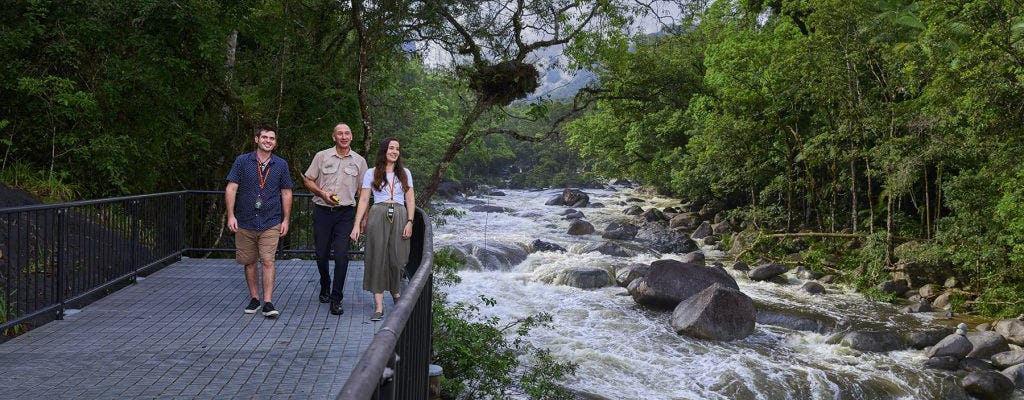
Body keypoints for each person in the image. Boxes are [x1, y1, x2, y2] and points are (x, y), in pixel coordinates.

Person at [225, 125, 293, 318]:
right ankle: (254, 298)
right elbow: (231, 188)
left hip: (271, 221)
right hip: (245, 221)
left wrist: (286, 219)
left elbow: (286, 192)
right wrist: (231, 215)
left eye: (272, 138)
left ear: (275, 142)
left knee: (268, 261)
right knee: (249, 262)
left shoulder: (281, 165)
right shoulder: (242, 161)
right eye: (264, 137)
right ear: (256, 139)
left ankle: (268, 302)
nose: (268, 141)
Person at [303, 123, 368, 315]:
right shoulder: (322, 156)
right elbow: (308, 179)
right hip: (322, 211)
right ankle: (325, 283)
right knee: (321, 254)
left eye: (347, 133)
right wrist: (322, 193)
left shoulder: (359, 161)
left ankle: (336, 297)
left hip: (345, 214)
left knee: (341, 256)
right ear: (334, 137)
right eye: (340, 133)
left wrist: (363, 217)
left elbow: (362, 192)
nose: (344, 136)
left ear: (351, 137)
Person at [351, 138, 415, 321]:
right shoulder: (371, 173)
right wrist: (357, 224)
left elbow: (410, 199)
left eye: (397, 149)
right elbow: (363, 200)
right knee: (377, 257)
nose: (394, 151)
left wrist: (410, 221)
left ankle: (396, 294)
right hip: (378, 213)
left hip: (401, 214)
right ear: (384, 150)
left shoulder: (405, 173)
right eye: (391, 148)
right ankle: (379, 306)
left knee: (397, 259)